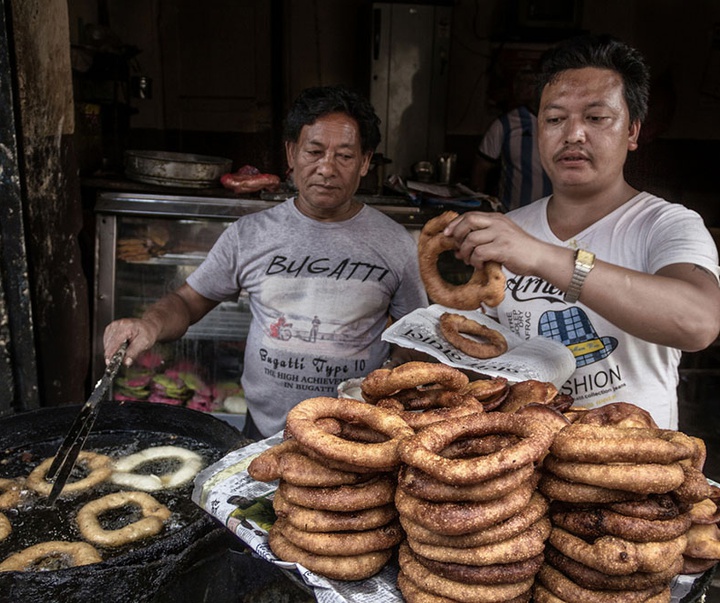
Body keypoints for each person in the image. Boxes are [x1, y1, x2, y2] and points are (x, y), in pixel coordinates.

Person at [103, 85, 428, 440]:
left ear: (366, 161)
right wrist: (149, 326)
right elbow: (187, 301)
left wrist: (399, 379)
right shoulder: (250, 234)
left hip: (356, 432)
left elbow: (414, 337)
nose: (326, 168)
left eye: (345, 156)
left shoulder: (395, 243)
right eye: (314, 151)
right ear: (291, 153)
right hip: (263, 433)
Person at [444, 34, 720, 430]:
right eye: (555, 119)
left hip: (634, 471)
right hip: (526, 469)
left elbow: (698, 322)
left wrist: (543, 258)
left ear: (632, 131)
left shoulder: (666, 225)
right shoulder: (510, 229)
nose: (573, 134)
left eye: (596, 118)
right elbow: (489, 356)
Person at [471, 68, 552, 211]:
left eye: (530, 82)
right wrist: (479, 206)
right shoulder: (504, 124)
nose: (523, 87)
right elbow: (481, 167)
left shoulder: (563, 122)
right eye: (520, 82)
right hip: (511, 216)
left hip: (554, 220)